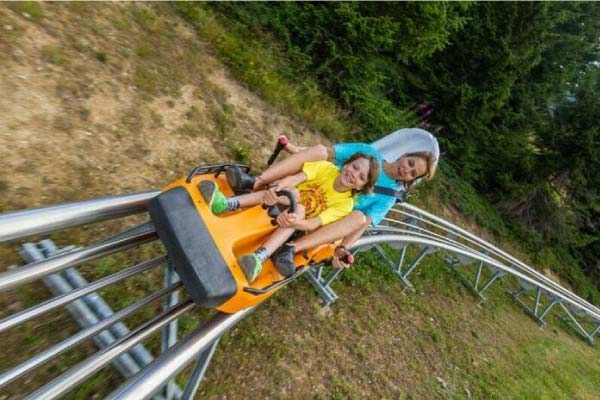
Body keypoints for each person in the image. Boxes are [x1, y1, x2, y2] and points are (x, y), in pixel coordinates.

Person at [226, 128, 439, 269]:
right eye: (410, 163)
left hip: (330, 213)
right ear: (404, 155)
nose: (407, 170)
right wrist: (295, 150)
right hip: (315, 185)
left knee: (359, 218)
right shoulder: (368, 152)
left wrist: (344, 248)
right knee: (319, 151)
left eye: (413, 174)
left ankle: (292, 248)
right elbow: (326, 153)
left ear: (412, 181)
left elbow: (361, 225)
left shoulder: (388, 197)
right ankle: (254, 181)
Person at [199, 152, 379, 283]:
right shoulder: (326, 169)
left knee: (299, 208)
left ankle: (259, 257)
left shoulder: (345, 204)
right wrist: (275, 188)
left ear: (362, 186)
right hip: (286, 198)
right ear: (347, 164)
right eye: (355, 167)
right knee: (291, 194)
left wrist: (296, 222)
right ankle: (227, 204)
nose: (354, 174)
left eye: (361, 177)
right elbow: (295, 179)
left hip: (296, 222)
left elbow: (314, 223)